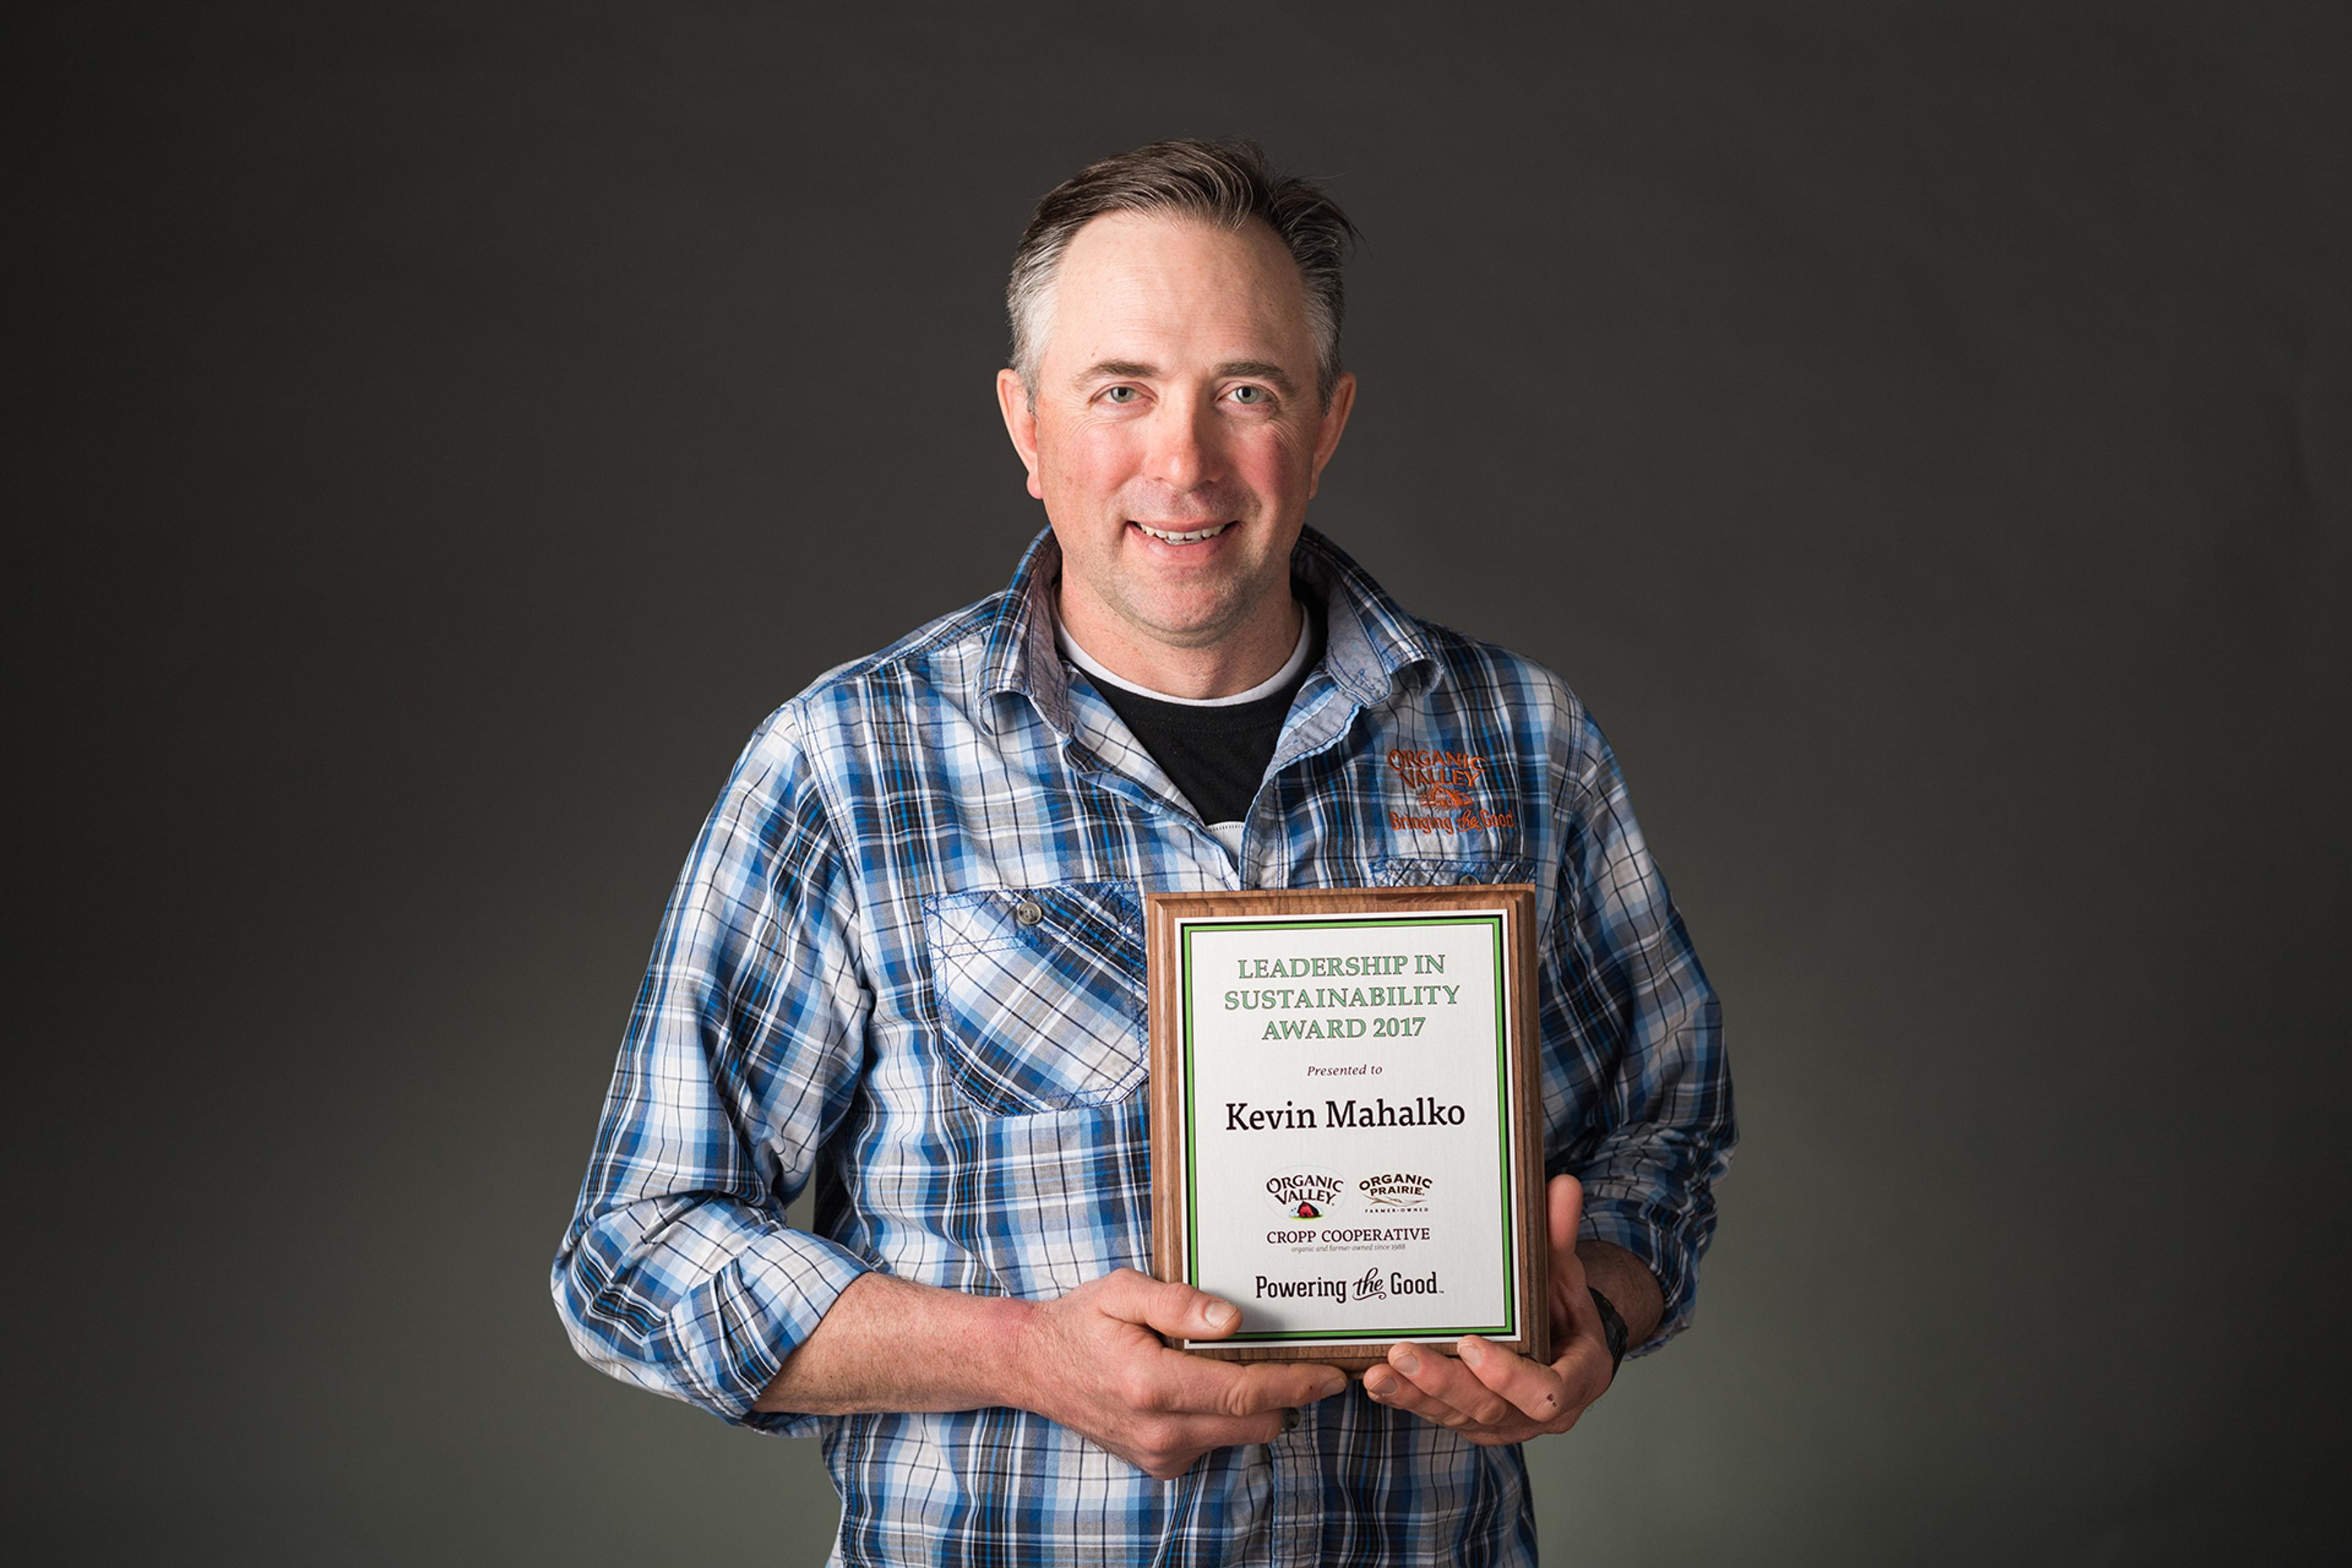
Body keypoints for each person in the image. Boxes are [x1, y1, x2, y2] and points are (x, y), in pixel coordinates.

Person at [552, 138, 1733, 1566]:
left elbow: (1663, 1135)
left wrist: (1589, 1306)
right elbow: (633, 1253)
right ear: (1026, 424)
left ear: (1329, 420)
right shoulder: (847, 766)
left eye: (1248, 390)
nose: (1185, 460)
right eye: (1121, 391)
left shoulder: (1523, 742)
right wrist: (1018, 1352)